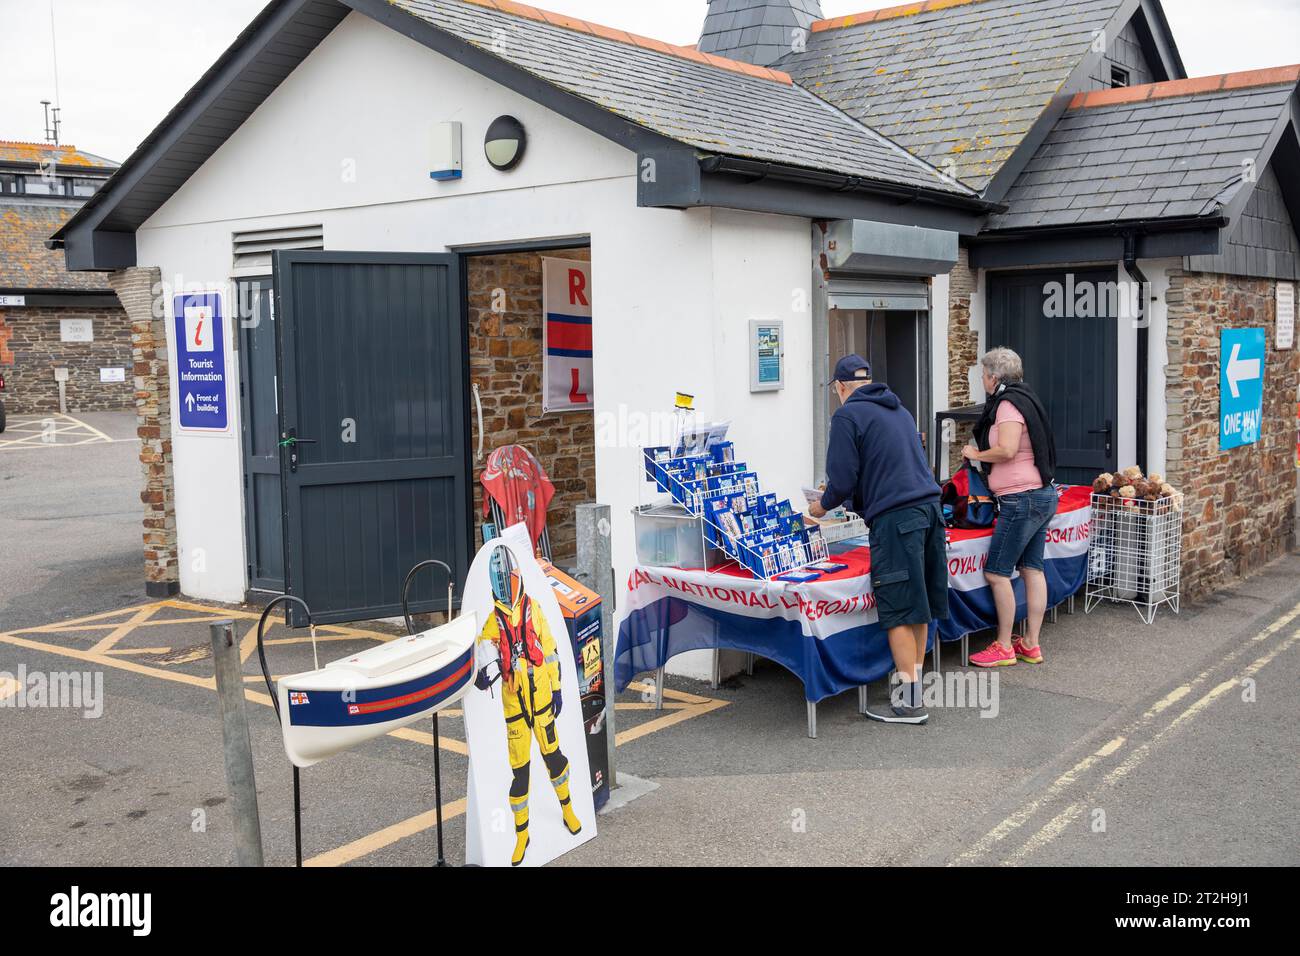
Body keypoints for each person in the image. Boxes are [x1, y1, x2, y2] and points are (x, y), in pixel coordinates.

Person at [810, 355, 948, 725]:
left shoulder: (847, 415)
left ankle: (909, 703)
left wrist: (820, 507)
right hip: (930, 511)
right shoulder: (898, 409)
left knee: (899, 608)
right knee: (918, 606)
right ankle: (913, 688)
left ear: (840, 387)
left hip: (897, 519)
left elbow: (841, 478)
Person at [474, 573, 582, 866]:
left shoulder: (534, 608)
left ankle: (568, 809)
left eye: (509, 585)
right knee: (520, 772)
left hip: (543, 699)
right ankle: (522, 835)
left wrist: (557, 689)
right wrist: (482, 673)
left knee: (554, 758)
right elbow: (482, 661)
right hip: (515, 707)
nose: (506, 592)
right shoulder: (493, 620)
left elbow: (550, 651)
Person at [961, 347, 1058, 668]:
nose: (982, 381)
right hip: (1040, 493)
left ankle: (1003, 645)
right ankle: (1030, 643)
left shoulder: (1006, 404)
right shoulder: (1027, 396)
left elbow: (1007, 449)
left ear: (993, 377)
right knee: (1032, 569)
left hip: (1020, 498)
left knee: (997, 572)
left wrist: (975, 455)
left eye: (983, 376)